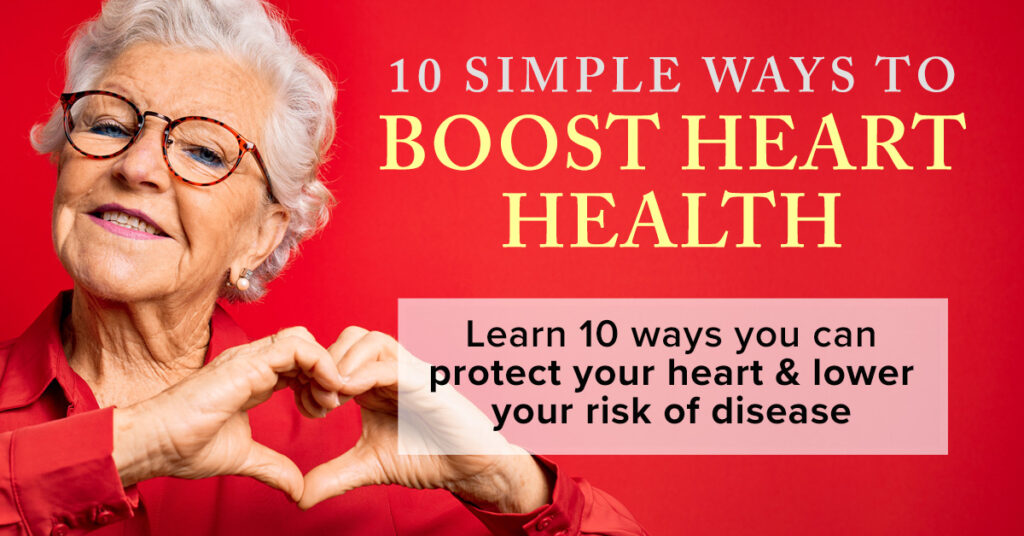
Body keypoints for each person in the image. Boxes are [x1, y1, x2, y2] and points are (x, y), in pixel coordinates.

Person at [0, 1, 648, 535]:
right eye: (110, 125)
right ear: (65, 158)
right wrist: (128, 447)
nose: (136, 166)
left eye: (201, 150)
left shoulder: (353, 448)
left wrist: (503, 479)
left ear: (260, 235)